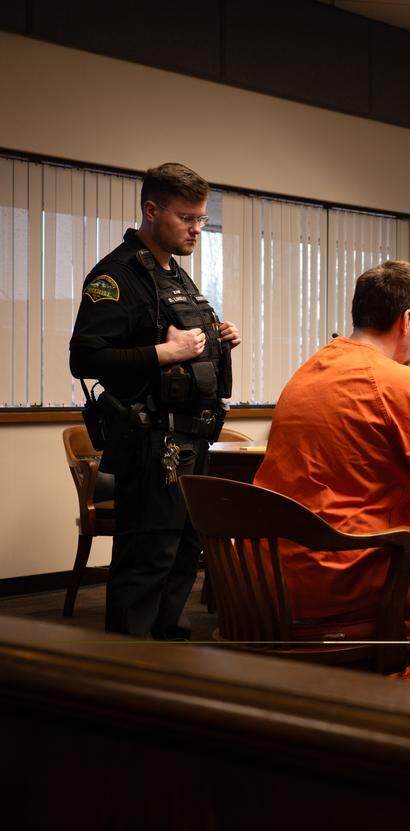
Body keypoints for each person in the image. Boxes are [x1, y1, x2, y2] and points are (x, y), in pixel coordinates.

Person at [253, 260, 410, 642]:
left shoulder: (309, 369)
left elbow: (354, 463)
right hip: (355, 571)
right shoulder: (398, 380)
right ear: (406, 320)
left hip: (274, 567)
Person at [69, 162, 241, 639]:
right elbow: (85, 357)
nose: (197, 229)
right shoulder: (117, 275)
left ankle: (168, 660)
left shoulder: (174, 274)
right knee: (148, 559)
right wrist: (166, 351)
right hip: (150, 444)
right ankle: (129, 675)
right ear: (151, 210)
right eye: (187, 217)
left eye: (202, 218)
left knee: (184, 553)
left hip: (191, 441)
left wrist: (217, 336)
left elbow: (186, 342)